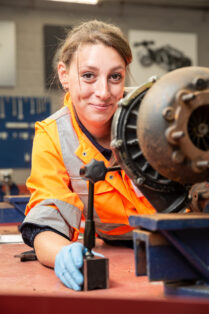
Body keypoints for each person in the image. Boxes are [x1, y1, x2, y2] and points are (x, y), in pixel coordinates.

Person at [20, 20, 155, 291]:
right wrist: (61, 254)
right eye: (88, 76)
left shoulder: (157, 118)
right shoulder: (53, 136)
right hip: (121, 253)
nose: (104, 92)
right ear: (64, 75)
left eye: (115, 76)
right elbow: (46, 220)